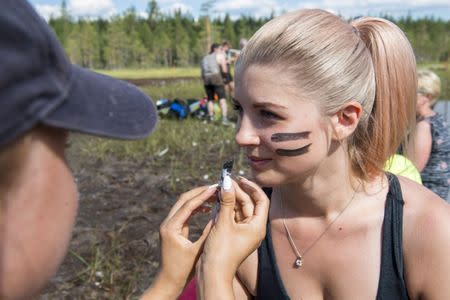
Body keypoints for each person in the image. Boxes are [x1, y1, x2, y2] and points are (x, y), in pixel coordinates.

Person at [201, 9, 449, 299]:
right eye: (239, 110)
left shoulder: (428, 230)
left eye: (268, 114)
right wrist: (214, 265)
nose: (241, 136)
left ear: (344, 119)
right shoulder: (244, 227)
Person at [409, 70, 450, 200]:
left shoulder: (423, 126)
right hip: (439, 199)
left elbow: (411, 170)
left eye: (412, 92)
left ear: (427, 96)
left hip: (425, 199)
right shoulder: (439, 120)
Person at [201, 43, 231, 125]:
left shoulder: (205, 58)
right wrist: (225, 77)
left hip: (206, 80)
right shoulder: (219, 56)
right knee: (222, 99)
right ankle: (224, 119)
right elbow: (224, 68)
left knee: (210, 99)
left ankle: (211, 117)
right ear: (215, 49)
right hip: (216, 78)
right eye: (219, 49)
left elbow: (202, 72)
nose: (221, 50)